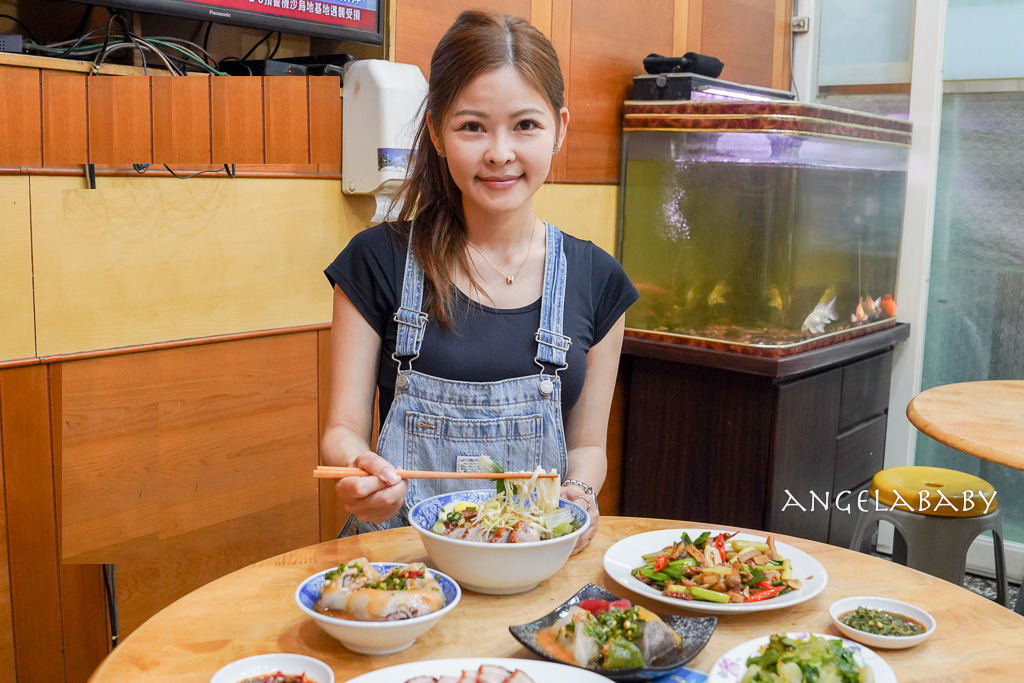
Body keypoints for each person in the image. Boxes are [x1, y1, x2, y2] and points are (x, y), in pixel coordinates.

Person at [321, 9, 638, 555]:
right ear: (438, 134)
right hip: (400, 562)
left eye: (525, 125)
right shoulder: (376, 261)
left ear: (560, 129)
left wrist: (581, 494)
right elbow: (342, 432)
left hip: (530, 560)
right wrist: (360, 470)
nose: (499, 152)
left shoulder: (598, 279)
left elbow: (588, 447)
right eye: (472, 126)